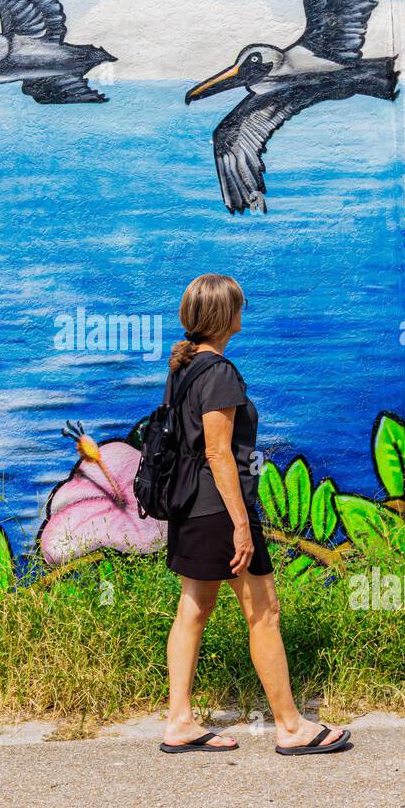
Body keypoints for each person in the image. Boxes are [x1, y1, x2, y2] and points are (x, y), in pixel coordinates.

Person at [160, 274, 350, 757]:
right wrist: (242, 524)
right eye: (240, 304)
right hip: (221, 509)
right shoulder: (220, 373)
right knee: (264, 612)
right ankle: (290, 726)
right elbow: (219, 454)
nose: (245, 310)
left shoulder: (182, 369)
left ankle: (178, 721)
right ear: (226, 316)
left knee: (194, 610)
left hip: (189, 509)